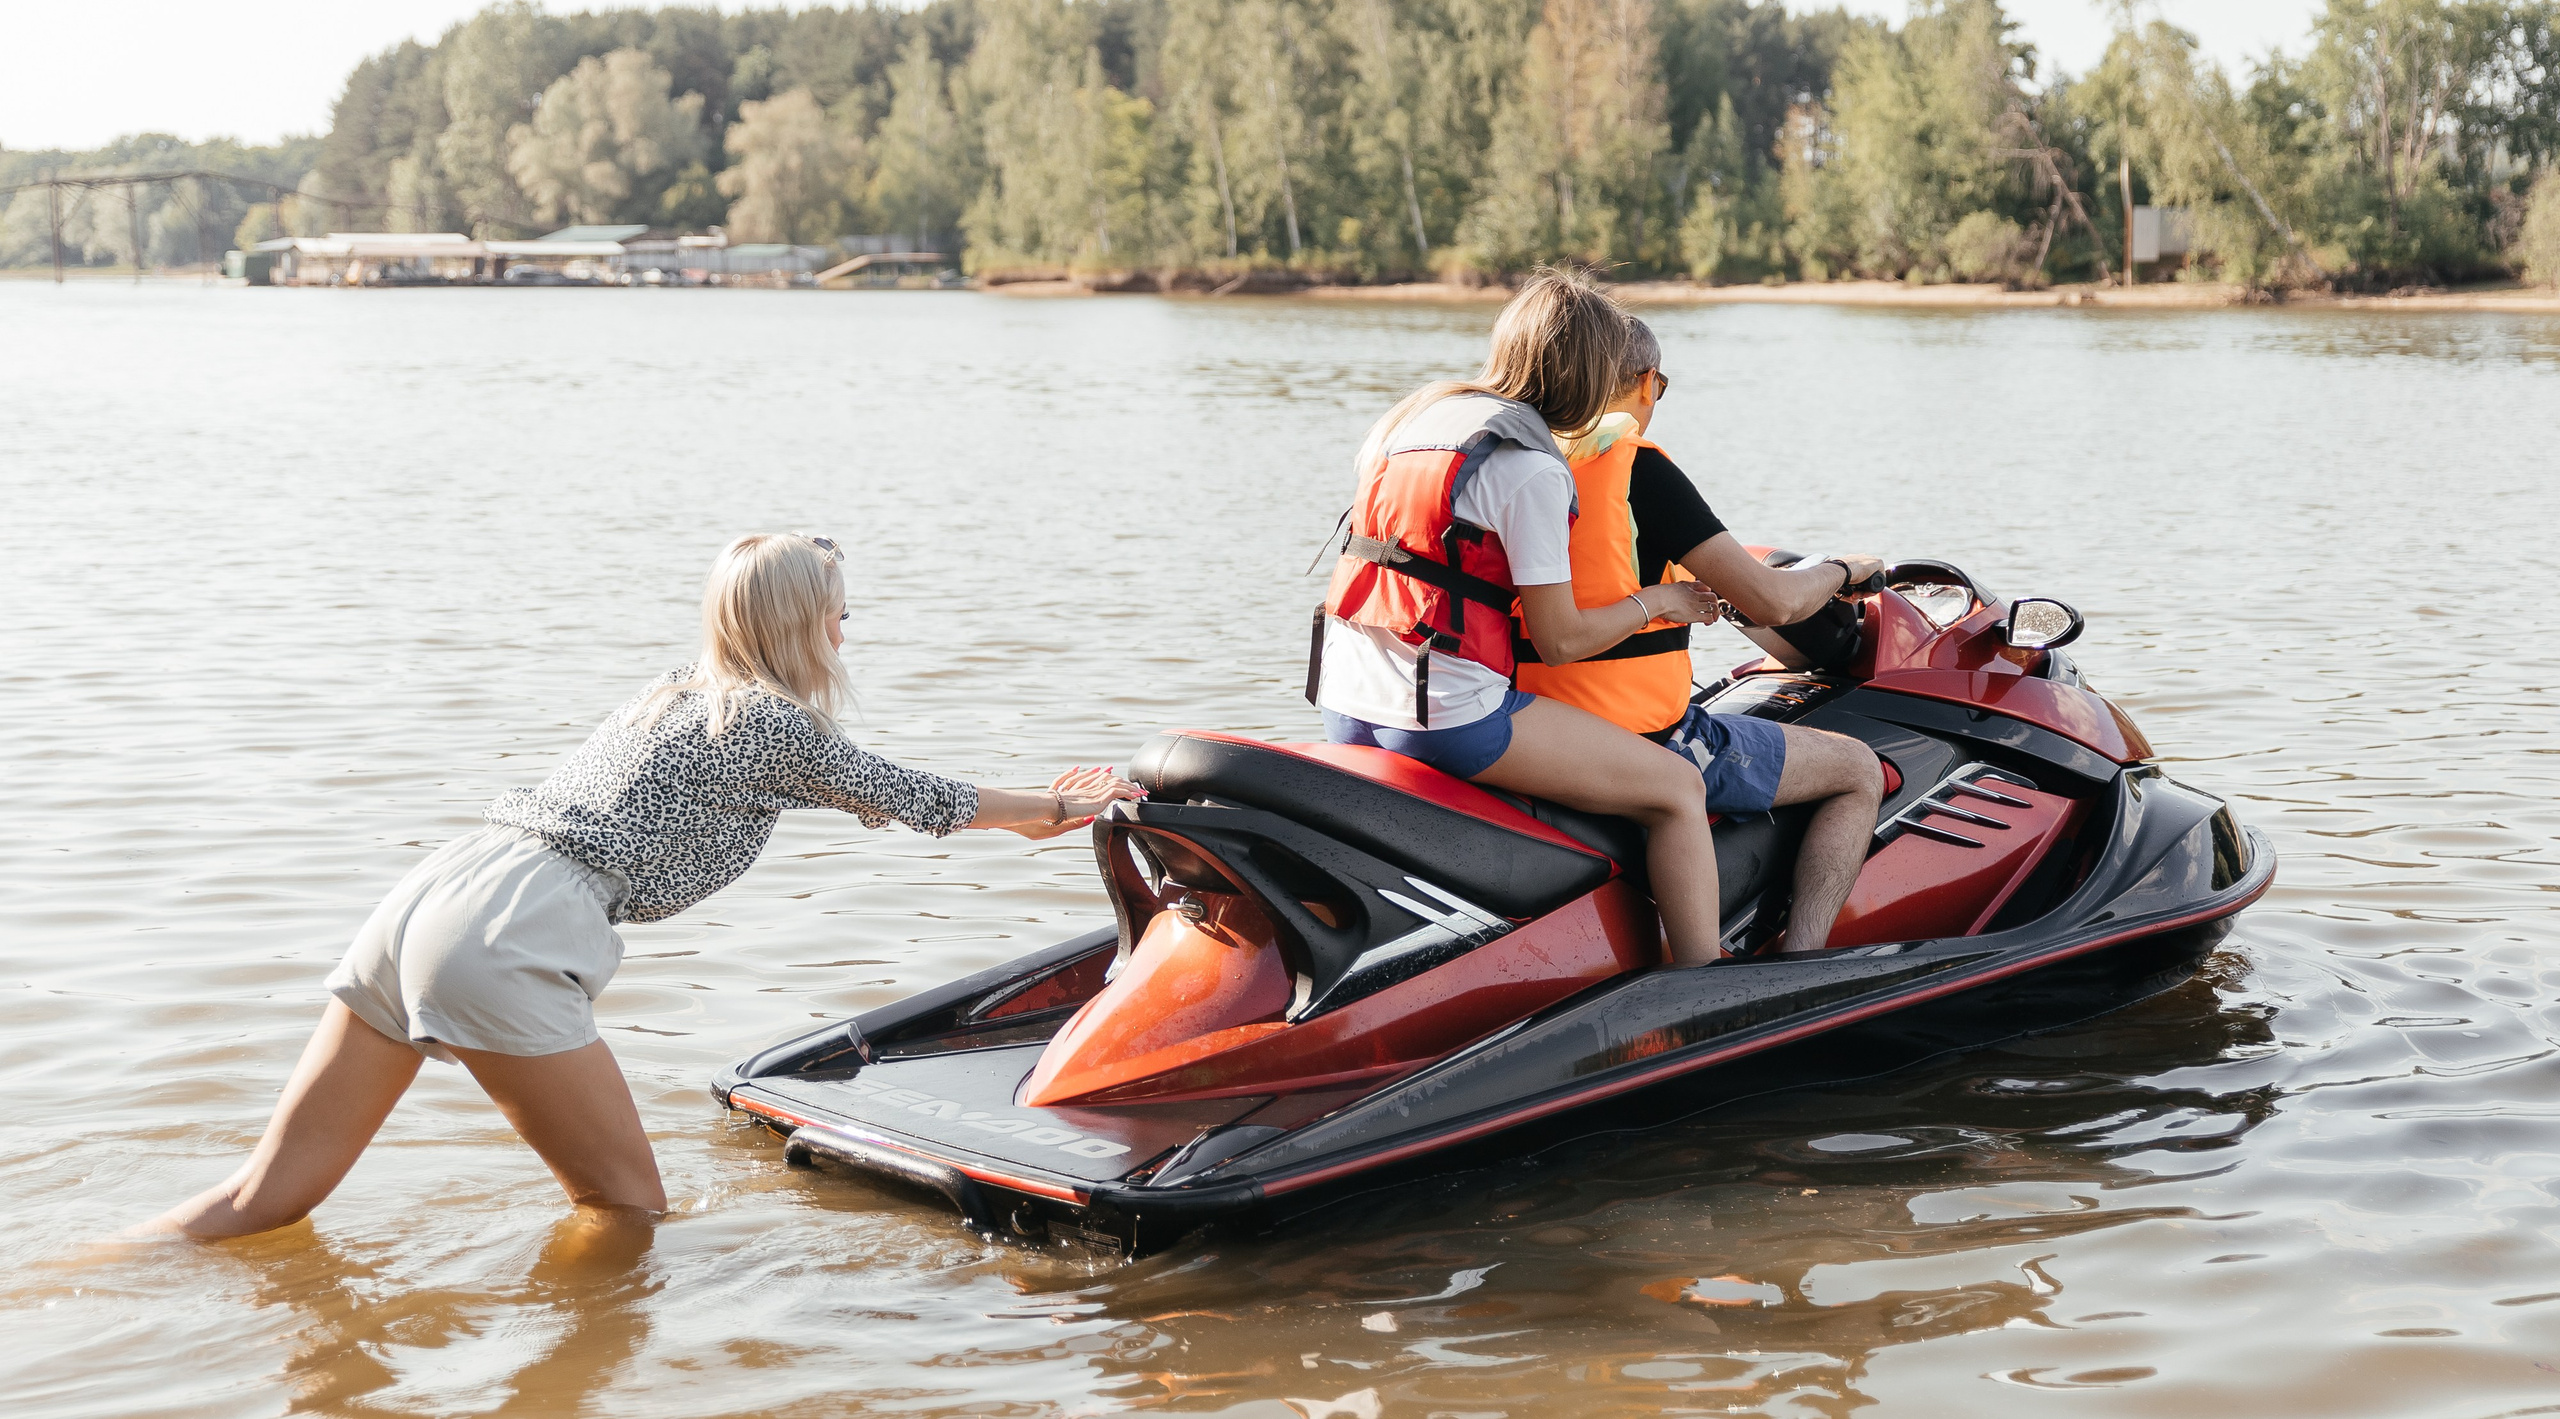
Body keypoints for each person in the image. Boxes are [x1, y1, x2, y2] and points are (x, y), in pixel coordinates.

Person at [134, 532, 1138, 1241]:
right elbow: (914, 796)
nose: (845, 635)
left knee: (267, 1198)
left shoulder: (673, 695)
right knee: (626, 1212)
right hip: (514, 932)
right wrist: (1056, 809)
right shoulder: (766, 724)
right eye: (839, 617)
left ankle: (63, 1287)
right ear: (802, 625)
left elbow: (876, 795)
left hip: (433, 895)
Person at [1312, 270, 1740, 964]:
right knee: (1678, 788)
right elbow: (1561, 638)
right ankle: (1703, 974)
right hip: (1446, 718)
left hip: (1345, 699)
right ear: (1589, 371)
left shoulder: (1413, 416)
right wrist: (1658, 601)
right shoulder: (1531, 465)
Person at [1510, 313, 1886, 951]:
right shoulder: (1638, 470)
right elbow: (1770, 599)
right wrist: (1843, 570)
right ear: (1644, 383)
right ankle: (1802, 960)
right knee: (1858, 769)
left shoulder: (1524, 459)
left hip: (1532, 725)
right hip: (1639, 734)